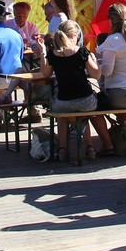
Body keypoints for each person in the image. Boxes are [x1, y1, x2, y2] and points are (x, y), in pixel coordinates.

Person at [38, 19, 109, 158]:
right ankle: (90, 148)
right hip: (85, 101)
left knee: (62, 116)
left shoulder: (53, 53)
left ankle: (62, 149)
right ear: (73, 36)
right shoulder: (81, 51)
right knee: (84, 114)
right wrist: (94, 60)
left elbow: (45, 74)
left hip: (63, 102)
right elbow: (96, 74)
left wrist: (43, 53)